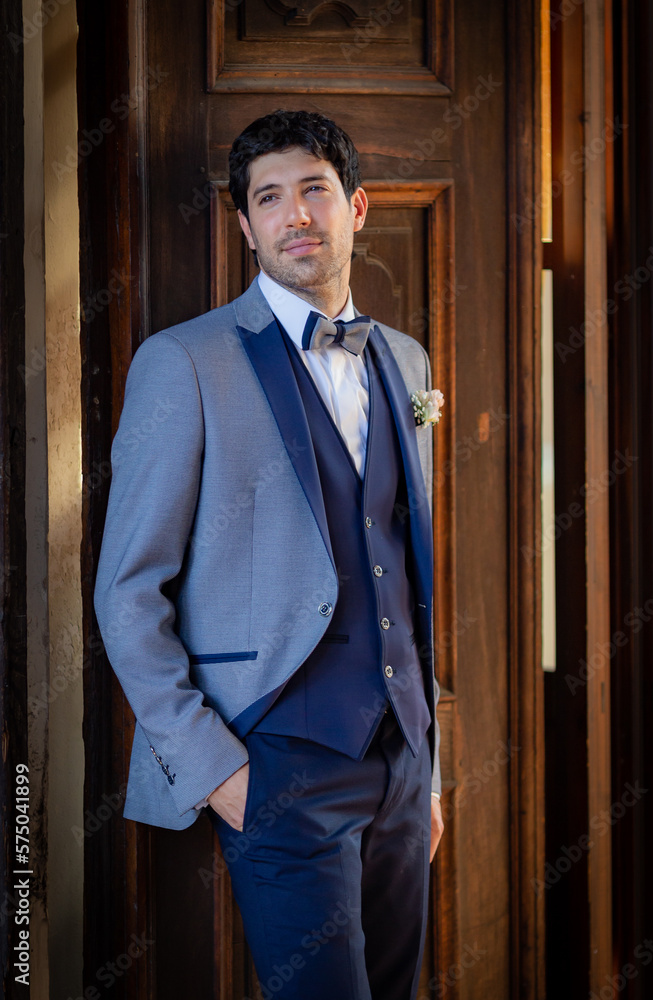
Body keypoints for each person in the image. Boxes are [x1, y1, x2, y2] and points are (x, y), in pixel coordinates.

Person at [94, 108, 444, 1000]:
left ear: (356, 206)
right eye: (270, 198)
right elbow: (129, 592)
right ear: (244, 224)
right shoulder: (185, 362)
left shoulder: (405, 362)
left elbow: (399, 565)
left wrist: (427, 769)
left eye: (314, 191)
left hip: (401, 762)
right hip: (274, 762)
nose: (296, 215)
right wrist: (217, 772)